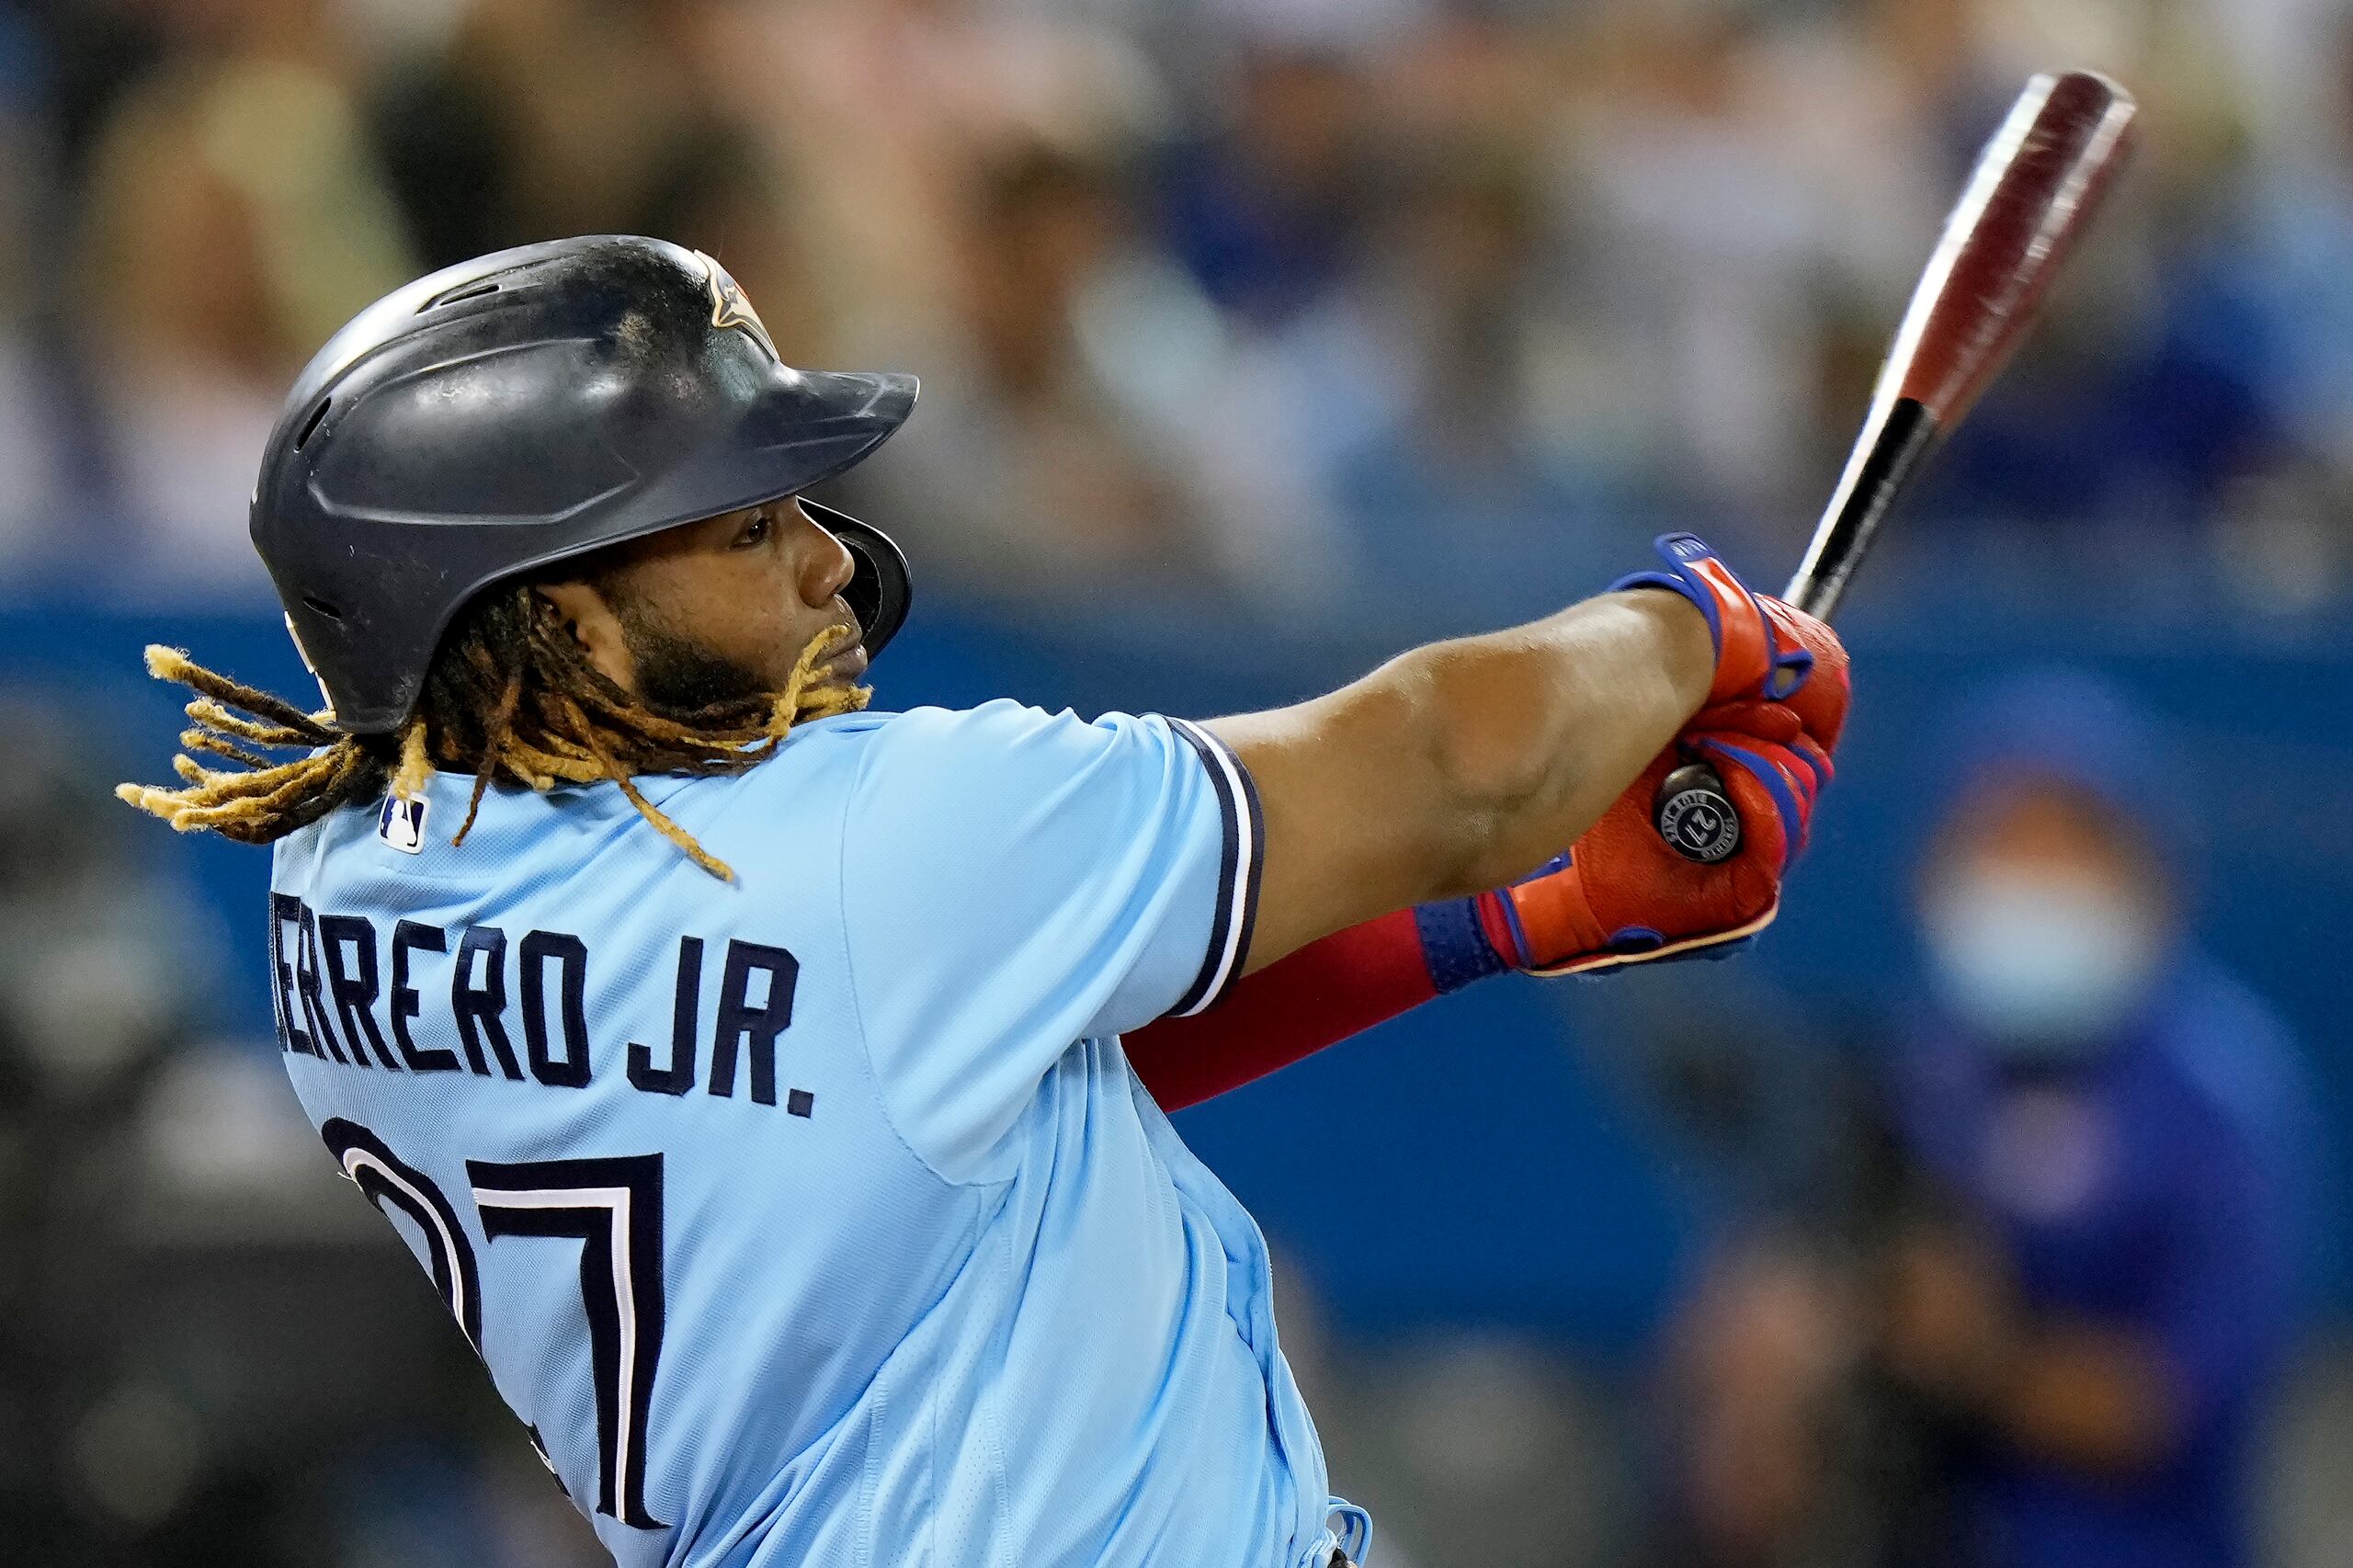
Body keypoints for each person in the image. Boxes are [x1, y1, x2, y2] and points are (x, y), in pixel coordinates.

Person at [117, 235, 1847, 1568]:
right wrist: (1697, 622)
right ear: (555, 622)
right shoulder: (876, 844)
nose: (822, 560)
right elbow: (1458, 764)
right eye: (733, 528)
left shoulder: (343, 887)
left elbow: (960, 1099)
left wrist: (1516, 919)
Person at [1873, 672, 2311, 1568]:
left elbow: (2173, 1401)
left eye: (2063, 846)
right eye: (1998, 844)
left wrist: (1976, 1355)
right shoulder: (1928, 1070)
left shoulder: (2219, 1097)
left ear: (2147, 873)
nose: (2028, 879)